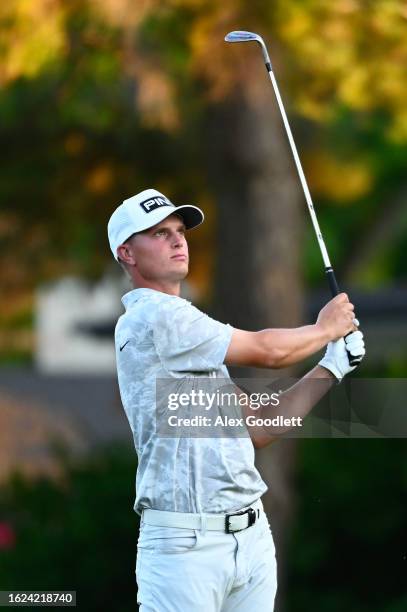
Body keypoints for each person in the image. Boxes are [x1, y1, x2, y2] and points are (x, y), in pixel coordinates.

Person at [107, 188, 365, 612]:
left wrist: (330, 367)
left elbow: (259, 428)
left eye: (179, 231)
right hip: (185, 549)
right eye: (159, 233)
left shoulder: (187, 340)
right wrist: (324, 330)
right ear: (127, 254)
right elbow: (268, 351)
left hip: (251, 539)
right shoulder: (155, 317)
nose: (177, 240)